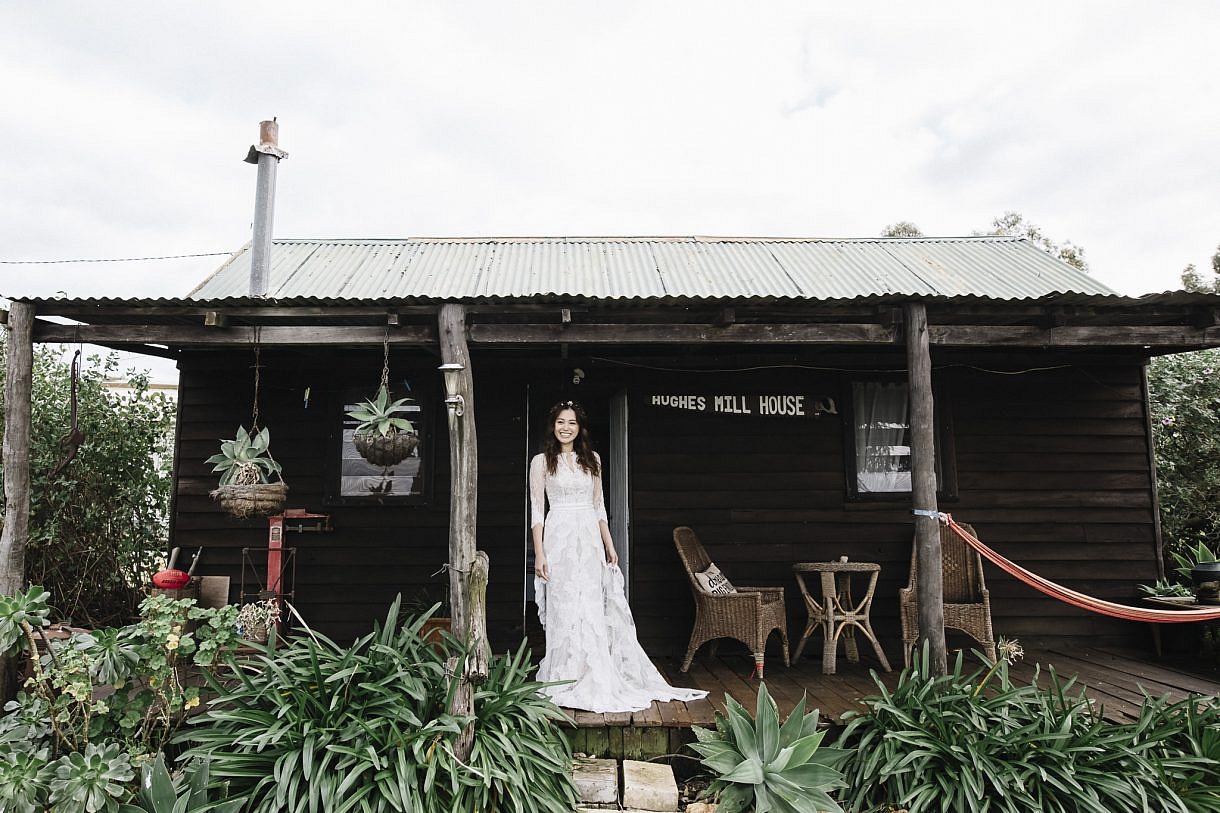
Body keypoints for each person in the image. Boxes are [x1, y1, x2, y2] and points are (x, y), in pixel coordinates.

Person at [530, 400, 707, 712]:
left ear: (580, 428)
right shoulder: (541, 462)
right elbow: (537, 512)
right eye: (561, 422)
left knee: (590, 605)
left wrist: (609, 545)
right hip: (558, 540)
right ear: (553, 426)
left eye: (572, 422)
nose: (566, 428)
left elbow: (599, 507)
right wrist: (539, 553)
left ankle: (593, 673)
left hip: (589, 538)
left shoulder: (593, 460)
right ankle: (565, 674)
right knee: (564, 605)